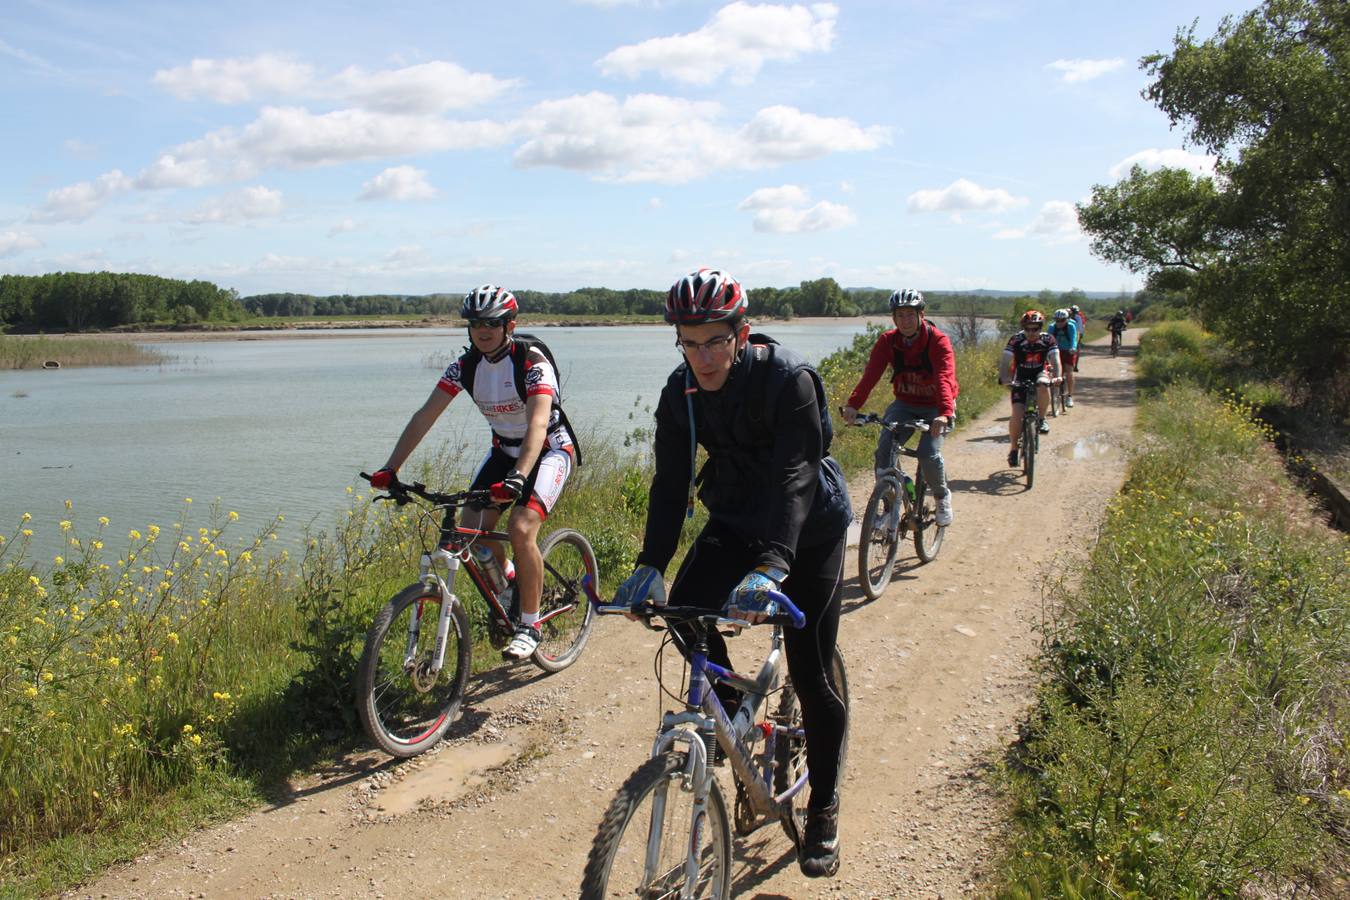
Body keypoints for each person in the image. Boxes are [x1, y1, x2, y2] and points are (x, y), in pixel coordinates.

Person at [611, 267, 853, 879]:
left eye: (715, 340)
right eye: (689, 342)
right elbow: (669, 485)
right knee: (686, 614)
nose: (703, 356)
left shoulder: (787, 380)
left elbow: (797, 476)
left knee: (811, 668)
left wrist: (773, 565)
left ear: (741, 333)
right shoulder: (680, 391)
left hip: (808, 528)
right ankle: (726, 717)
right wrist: (650, 565)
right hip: (738, 518)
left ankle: (822, 808)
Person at [368, 285, 578, 661]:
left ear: (509, 324)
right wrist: (391, 467)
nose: (483, 330)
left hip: (548, 450)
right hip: (503, 451)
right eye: (476, 323)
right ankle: (510, 586)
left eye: (492, 323)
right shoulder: (464, 367)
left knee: (521, 527)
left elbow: (537, 425)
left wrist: (518, 476)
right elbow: (424, 417)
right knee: (470, 529)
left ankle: (531, 624)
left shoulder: (531, 363)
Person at [840, 288, 958, 526]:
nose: (905, 321)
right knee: (884, 452)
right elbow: (871, 375)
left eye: (910, 315)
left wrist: (945, 413)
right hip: (905, 403)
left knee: (928, 453)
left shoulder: (938, 341)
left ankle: (941, 496)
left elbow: (945, 376)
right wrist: (853, 405)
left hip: (936, 407)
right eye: (900, 315)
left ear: (921, 315)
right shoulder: (888, 341)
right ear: (894, 318)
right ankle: (887, 507)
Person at [1000, 309, 1061, 467]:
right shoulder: (1016, 339)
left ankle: (1041, 419)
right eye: (1028, 328)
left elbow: (1055, 359)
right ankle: (1013, 449)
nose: (1031, 332)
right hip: (1020, 375)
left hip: (1040, 372)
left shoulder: (1048, 339)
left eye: (1035, 328)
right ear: (1023, 328)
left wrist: (1058, 376)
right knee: (1017, 413)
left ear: (1041, 327)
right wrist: (1004, 377)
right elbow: (1005, 360)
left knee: (1043, 383)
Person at [1048, 308, 1078, 407]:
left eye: (1062, 320)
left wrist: (1073, 348)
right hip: (1055, 350)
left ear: (1067, 319)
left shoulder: (1071, 326)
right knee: (1053, 371)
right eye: (1057, 320)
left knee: (1069, 371)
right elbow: (1047, 340)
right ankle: (1054, 394)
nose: (1059, 323)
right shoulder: (1052, 327)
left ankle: (1069, 396)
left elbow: (1073, 339)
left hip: (1068, 350)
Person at [1070, 304, 1087, 372]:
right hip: (1076, 334)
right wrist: (1081, 334)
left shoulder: (1068, 316)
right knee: (1077, 350)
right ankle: (1075, 366)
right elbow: (1080, 327)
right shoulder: (1078, 317)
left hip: (1073, 334)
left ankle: (1075, 365)